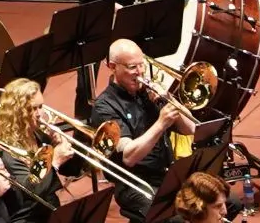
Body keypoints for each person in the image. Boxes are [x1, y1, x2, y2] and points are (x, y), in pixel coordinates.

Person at [82, 37, 194, 167]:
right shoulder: (105, 106)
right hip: (139, 176)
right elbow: (128, 157)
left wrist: (168, 99)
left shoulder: (147, 93)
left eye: (141, 65)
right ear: (113, 67)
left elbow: (190, 128)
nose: (140, 72)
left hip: (168, 169)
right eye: (133, 67)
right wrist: (161, 123)